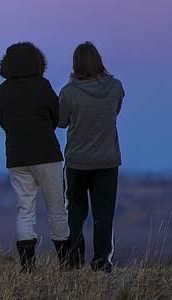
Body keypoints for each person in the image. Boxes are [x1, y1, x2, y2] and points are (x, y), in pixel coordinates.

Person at [0, 42, 70, 271]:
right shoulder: (42, 86)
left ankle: (28, 267)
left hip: (17, 157)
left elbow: (3, 123)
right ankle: (66, 264)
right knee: (57, 209)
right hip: (47, 155)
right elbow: (57, 119)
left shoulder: (3, 90)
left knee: (25, 210)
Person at [59, 41, 124, 271]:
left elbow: (61, 121)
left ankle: (74, 259)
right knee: (103, 213)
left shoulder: (69, 92)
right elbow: (115, 111)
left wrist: (70, 85)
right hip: (107, 160)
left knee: (75, 211)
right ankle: (101, 261)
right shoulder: (115, 87)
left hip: (76, 161)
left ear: (75, 65)